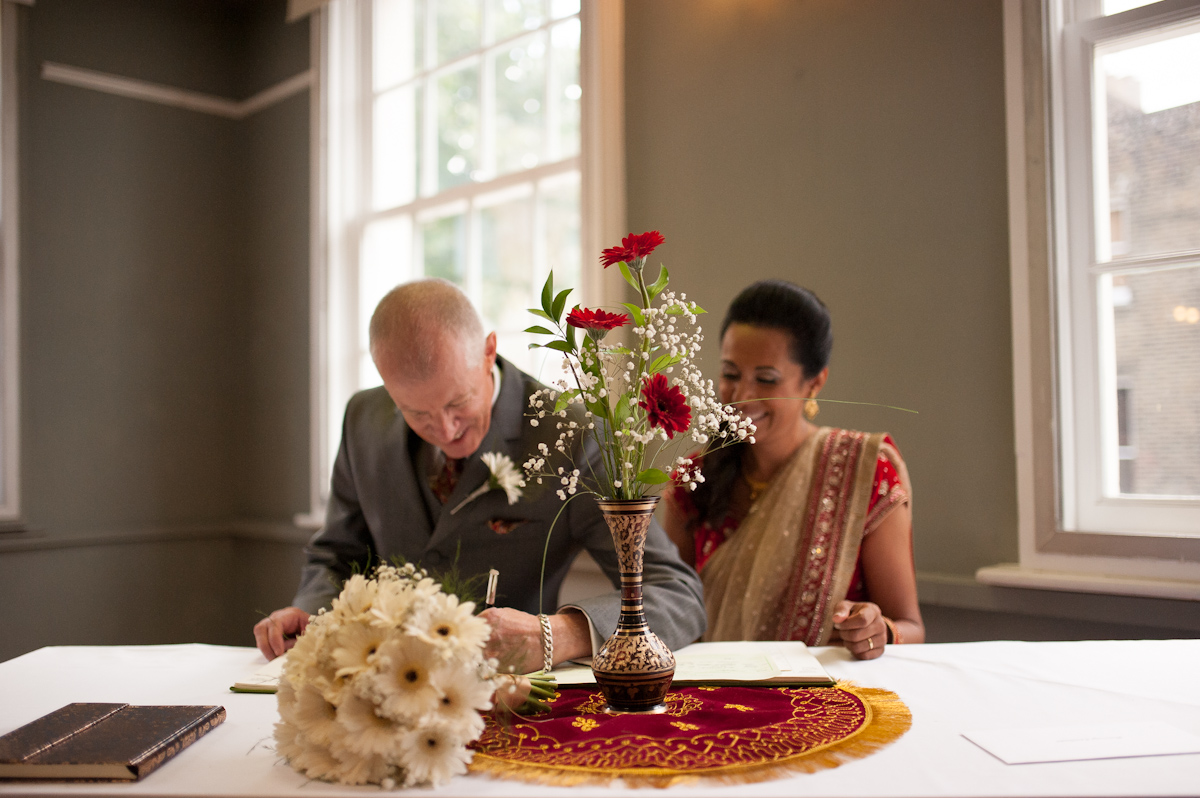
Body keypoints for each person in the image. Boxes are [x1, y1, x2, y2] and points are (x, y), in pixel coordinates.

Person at [254, 279, 706, 670]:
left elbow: (677, 594)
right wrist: (309, 610)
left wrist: (561, 633)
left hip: (511, 698)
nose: (446, 430)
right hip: (382, 681)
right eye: (417, 413)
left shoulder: (573, 433)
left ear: (489, 350)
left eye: (457, 403)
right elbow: (335, 554)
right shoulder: (362, 419)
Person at [662, 280, 924, 659]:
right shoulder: (695, 477)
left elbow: (911, 626)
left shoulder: (864, 470)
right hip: (713, 695)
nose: (742, 397)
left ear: (815, 383)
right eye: (731, 374)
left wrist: (876, 630)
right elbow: (669, 611)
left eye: (766, 379)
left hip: (826, 702)